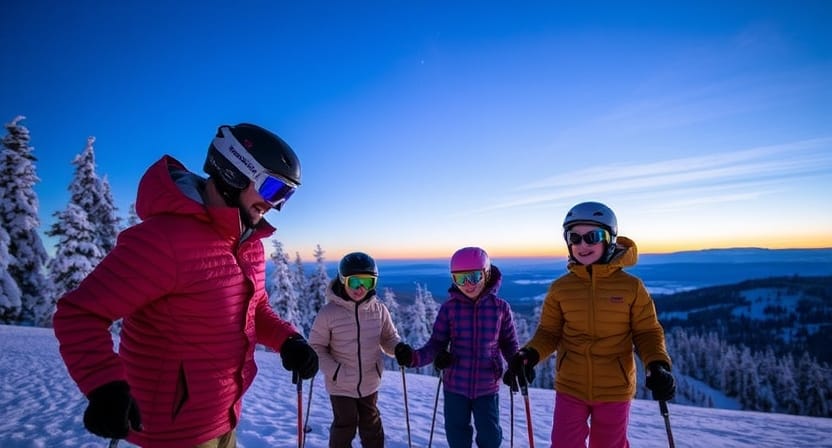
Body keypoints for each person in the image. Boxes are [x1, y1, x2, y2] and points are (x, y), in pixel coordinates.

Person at [52, 123, 319, 448]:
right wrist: (104, 386)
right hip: (171, 433)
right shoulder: (164, 240)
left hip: (224, 418)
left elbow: (254, 308)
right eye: (273, 189)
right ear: (235, 171)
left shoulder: (249, 244)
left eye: (285, 195)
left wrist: (288, 340)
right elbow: (79, 314)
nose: (276, 205)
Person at [507, 201, 676, 448]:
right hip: (570, 386)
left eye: (593, 236)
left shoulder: (631, 287)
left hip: (614, 388)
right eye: (574, 237)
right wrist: (530, 354)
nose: (582, 245)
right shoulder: (561, 288)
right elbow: (549, 332)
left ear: (610, 239)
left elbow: (646, 331)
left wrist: (657, 364)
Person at [395, 246, 519, 448]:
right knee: (457, 435)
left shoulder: (500, 308)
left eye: (474, 277)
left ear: (486, 274)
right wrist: (413, 358)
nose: (468, 285)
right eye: (460, 279)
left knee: (490, 435)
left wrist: (516, 364)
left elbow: (509, 343)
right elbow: (436, 343)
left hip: (487, 384)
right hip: (455, 385)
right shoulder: (449, 309)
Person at [309, 252, 402, 448]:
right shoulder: (329, 314)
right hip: (340, 385)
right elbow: (316, 347)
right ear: (343, 281)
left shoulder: (379, 310)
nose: (360, 288)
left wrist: (399, 349)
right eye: (354, 282)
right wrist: (335, 372)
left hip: (370, 381)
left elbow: (389, 339)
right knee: (345, 426)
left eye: (367, 283)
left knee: (372, 424)